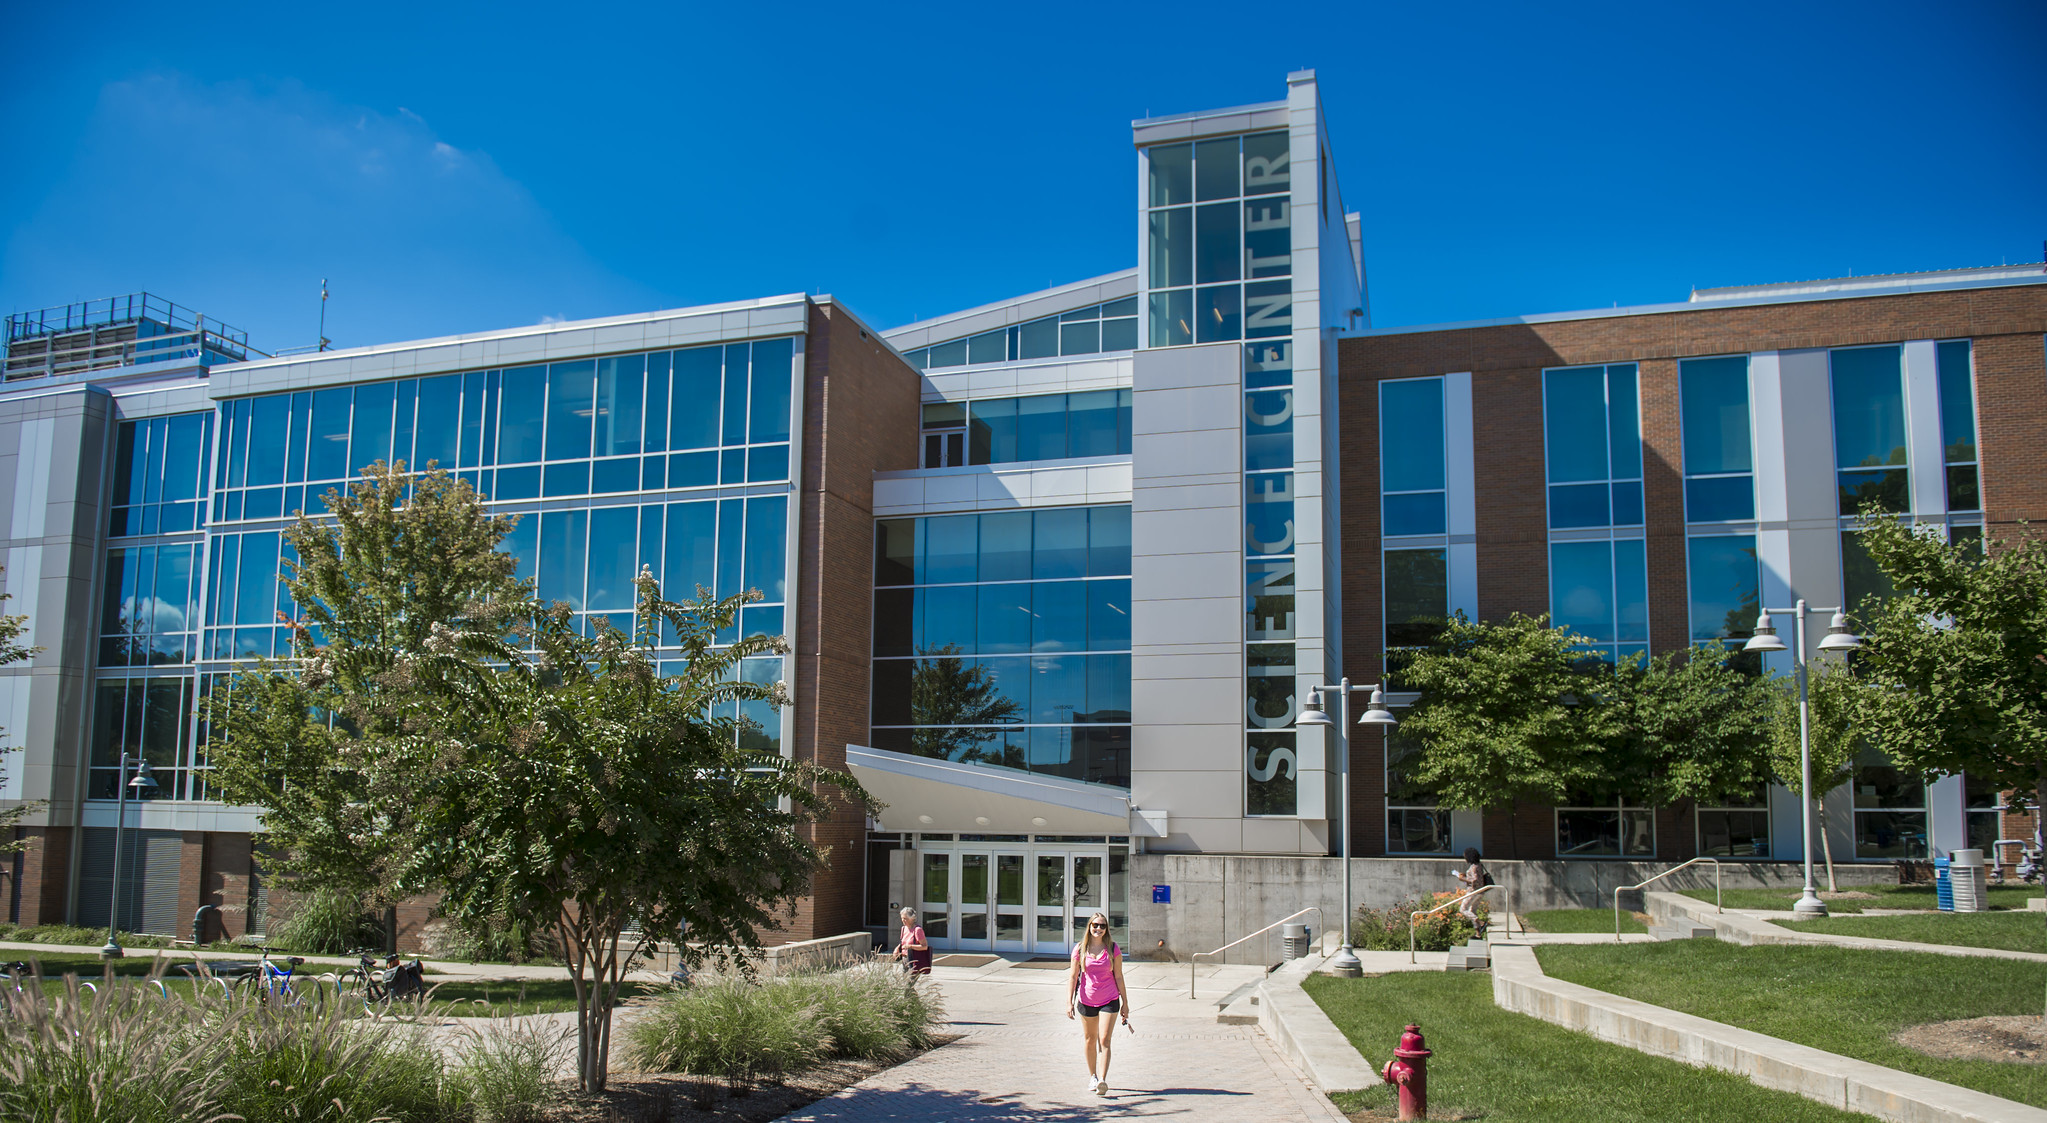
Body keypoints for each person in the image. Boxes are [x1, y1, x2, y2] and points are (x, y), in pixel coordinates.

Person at [1065, 911, 1132, 1097]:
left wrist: (1125, 1003)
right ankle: (1092, 1076)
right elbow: (1073, 976)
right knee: (1090, 1039)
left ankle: (1102, 1079)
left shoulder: (1113, 948)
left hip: (1109, 999)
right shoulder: (1080, 949)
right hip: (1086, 1000)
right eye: (1095, 925)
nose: (1099, 928)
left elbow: (1118, 975)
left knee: (1104, 1039)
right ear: (1089, 927)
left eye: (1102, 926)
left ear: (1106, 929)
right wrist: (1069, 1002)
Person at [1455, 847, 1493, 935]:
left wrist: (1463, 879)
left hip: (1473, 891)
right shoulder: (1479, 865)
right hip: (1480, 891)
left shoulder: (1474, 867)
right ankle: (1478, 933)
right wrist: (1465, 876)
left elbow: (1475, 880)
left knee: (1463, 909)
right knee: (1472, 910)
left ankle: (1481, 922)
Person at [892, 907, 932, 975]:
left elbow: (924, 946)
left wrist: (910, 946)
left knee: (909, 983)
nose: (903, 920)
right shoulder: (903, 929)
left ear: (912, 918)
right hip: (904, 959)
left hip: (914, 959)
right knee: (905, 982)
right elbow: (902, 942)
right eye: (902, 918)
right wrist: (897, 949)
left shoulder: (917, 930)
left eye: (905, 918)